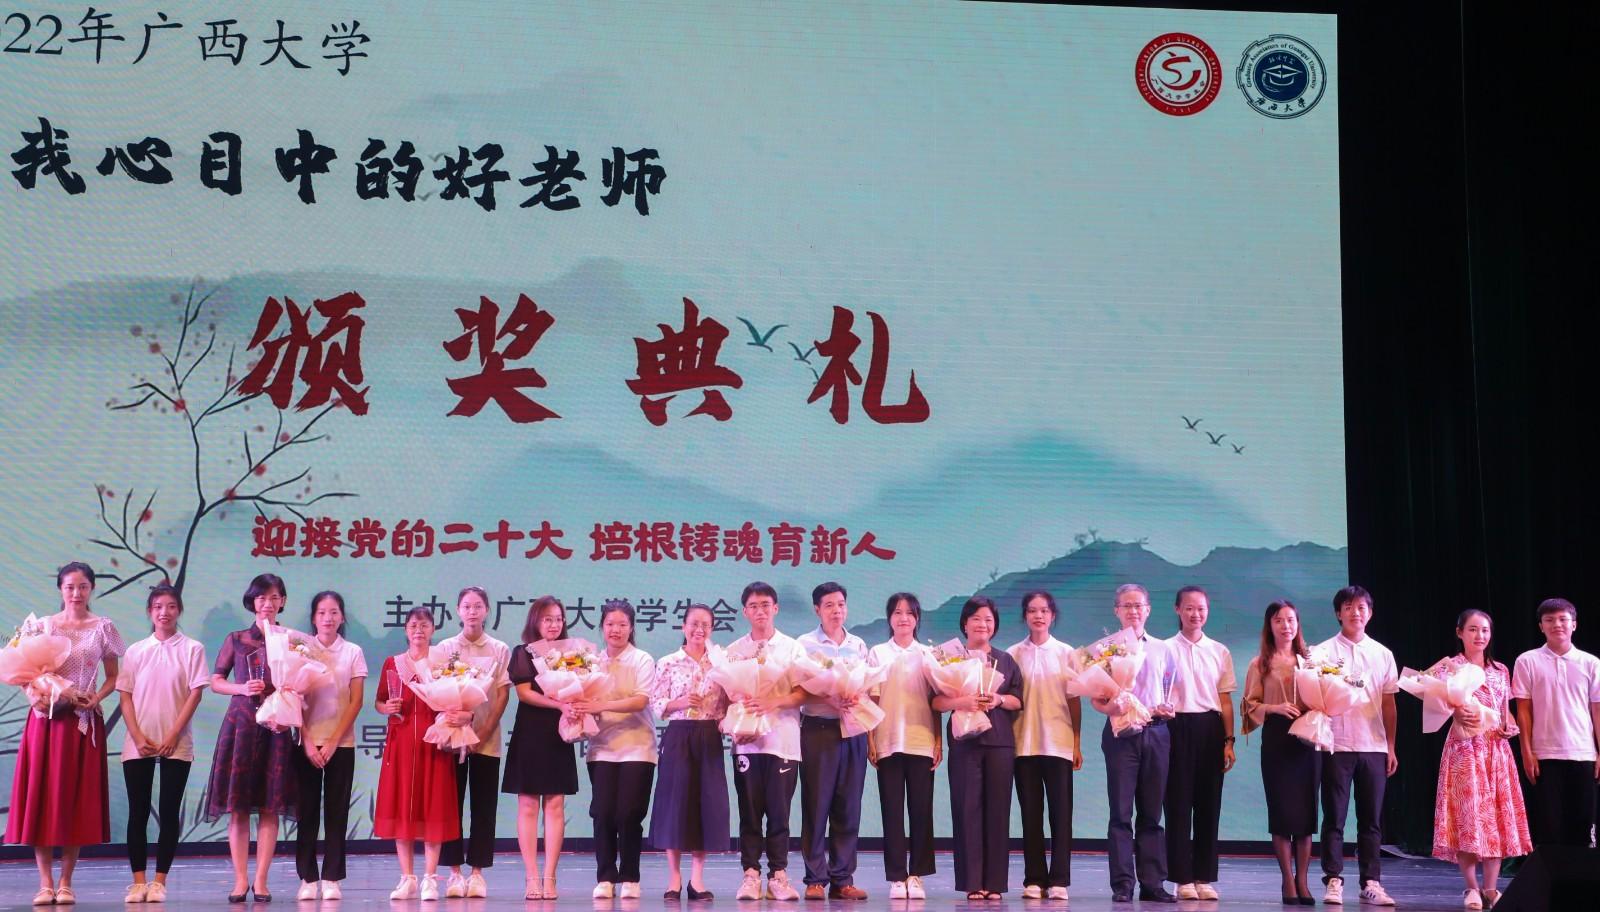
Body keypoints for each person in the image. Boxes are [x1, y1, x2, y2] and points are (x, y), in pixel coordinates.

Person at [6, 561, 126, 907]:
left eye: (83, 586)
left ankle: (66, 882)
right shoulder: (41, 626)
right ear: (60, 589)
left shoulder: (103, 627)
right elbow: (26, 672)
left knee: (75, 800)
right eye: (70, 586)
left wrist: (95, 698)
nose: (76, 593)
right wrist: (42, 695)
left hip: (82, 722)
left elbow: (113, 676)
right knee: (43, 797)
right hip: (45, 723)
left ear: (92, 589)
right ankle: (45, 883)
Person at [204, 573, 298, 903]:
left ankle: (261, 880)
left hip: (276, 727)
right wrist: (242, 688)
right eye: (261, 597)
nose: (267, 603)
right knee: (239, 806)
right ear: (252, 601)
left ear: (282, 601)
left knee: (271, 806)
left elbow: (304, 682)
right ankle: (240, 879)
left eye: (273, 597)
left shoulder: (292, 640)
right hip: (241, 726)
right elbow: (216, 680)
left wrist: (290, 700)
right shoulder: (237, 639)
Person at [117, 584, 207, 904]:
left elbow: (195, 694)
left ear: (178, 610)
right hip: (138, 741)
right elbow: (125, 697)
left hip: (176, 743)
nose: (164, 612)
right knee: (138, 812)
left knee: (169, 812)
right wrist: (137, 736)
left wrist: (172, 736)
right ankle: (138, 882)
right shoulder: (136, 651)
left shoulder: (192, 648)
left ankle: (159, 881)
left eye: (170, 606)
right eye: (157, 607)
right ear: (149, 612)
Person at [1435, 609, 1530, 910]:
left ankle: (1491, 888)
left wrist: (1510, 725)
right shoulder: (1449, 668)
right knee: (1468, 816)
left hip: (1496, 751)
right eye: (1473, 629)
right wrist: (1453, 711)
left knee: (1496, 818)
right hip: (1465, 750)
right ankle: (1471, 888)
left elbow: (1504, 710)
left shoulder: (1501, 670)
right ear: (1460, 632)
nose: (1480, 636)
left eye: (1485, 630)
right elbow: (1434, 706)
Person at [1312, 585, 1400, 906]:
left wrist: (1391, 746)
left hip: (1373, 746)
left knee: (1371, 820)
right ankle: (1333, 880)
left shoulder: (1383, 654)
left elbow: (1389, 704)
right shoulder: (1322, 652)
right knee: (1334, 817)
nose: (1355, 613)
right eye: (1348, 608)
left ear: (1370, 613)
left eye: (1361, 607)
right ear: (1338, 613)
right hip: (1335, 745)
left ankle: (1371, 882)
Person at [1096, 583, 1181, 904]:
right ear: (1116, 611)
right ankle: (1122, 885)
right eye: (1127, 606)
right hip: (1121, 735)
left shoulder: (1162, 648)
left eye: (1138, 605)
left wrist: (1167, 709)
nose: (1133, 611)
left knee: (1151, 813)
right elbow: (1096, 699)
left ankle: (1153, 883)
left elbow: (1170, 689)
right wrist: (1110, 708)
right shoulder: (1105, 650)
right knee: (1120, 813)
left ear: (1148, 610)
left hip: (1156, 732)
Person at [935, 595, 1023, 900]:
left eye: (988, 619)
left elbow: (1017, 700)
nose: (982, 624)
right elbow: (936, 702)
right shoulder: (949, 658)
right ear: (965, 624)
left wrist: (998, 699)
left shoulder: (1005, 660)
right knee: (966, 809)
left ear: (994, 626)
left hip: (999, 742)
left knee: (998, 811)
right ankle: (972, 882)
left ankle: (995, 883)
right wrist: (962, 701)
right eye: (976, 619)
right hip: (964, 742)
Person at [373, 606, 461, 901]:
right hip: (401, 746)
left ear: (433, 630)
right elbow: (379, 702)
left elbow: (458, 699)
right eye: (413, 625)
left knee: (433, 809)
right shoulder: (393, 663)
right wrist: (387, 708)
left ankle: (430, 879)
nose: (418, 630)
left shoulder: (443, 664)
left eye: (424, 625)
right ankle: (407, 877)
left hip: (434, 745)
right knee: (403, 808)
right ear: (406, 631)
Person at [729, 581, 808, 902]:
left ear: (775, 608)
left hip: (783, 742)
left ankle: (778, 875)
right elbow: (728, 696)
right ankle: (750, 875)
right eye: (753, 606)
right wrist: (738, 724)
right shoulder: (734, 651)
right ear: (745, 612)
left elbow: (804, 693)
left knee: (779, 813)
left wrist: (772, 703)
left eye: (765, 605)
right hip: (746, 743)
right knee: (749, 813)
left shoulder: (793, 648)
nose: (760, 611)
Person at [648, 603, 730, 902]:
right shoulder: (668, 662)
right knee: (675, 804)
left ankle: (697, 879)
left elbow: (728, 703)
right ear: (683, 627)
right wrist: (679, 703)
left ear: (712, 628)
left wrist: (731, 721)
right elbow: (655, 703)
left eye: (705, 624)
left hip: (709, 735)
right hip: (679, 735)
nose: (699, 629)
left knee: (705, 804)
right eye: (694, 623)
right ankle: (674, 878)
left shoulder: (721, 664)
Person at [503, 596, 583, 900]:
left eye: (558, 619)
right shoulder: (523, 652)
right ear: (535, 621)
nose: (554, 624)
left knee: (555, 804)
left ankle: (550, 877)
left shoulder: (572, 655)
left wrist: (573, 704)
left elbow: (583, 685)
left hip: (558, 733)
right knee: (527, 804)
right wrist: (558, 704)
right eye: (548, 619)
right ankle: (531, 877)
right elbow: (524, 693)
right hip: (530, 732)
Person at [577, 601, 658, 899]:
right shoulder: (591, 662)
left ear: (631, 627)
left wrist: (601, 705)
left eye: (622, 624)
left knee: (629, 813)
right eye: (610, 624)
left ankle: (630, 877)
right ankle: (605, 877)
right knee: (603, 813)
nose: (616, 630)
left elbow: (641, 700)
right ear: (602, 627)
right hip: (602, 748)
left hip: (638, 747)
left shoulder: (641, 659)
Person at [436, 586, 512, 899]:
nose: (472, 612)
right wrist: (454, 719)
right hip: (453, 739)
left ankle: (478, 873)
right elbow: (436, 688)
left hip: (486, 741)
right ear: (458, 610)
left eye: (478, 606)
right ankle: (454, 873)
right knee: (450, 807)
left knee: (484, 807)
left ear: (486, 611)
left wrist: (484, 729)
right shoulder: (445, 647)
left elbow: (503, 693)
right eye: (466, 606)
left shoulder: (499, 649)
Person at [1241, 600, 1318, 906]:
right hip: (1277, 740)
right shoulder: (1259, 663)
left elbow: (1326, 694)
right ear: (1269, 626)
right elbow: (1249, 704)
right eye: (1278, 620)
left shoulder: (1310, 660)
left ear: (1297, 624)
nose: (1286, 626)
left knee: (1307, 815)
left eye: (1290, 620)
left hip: (1307, 739)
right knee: (1282, 813)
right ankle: (1287, 879)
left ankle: (1303, 881)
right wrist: (1274, 707)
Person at [797, 581, 870, 900]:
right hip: (818, 729)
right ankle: (815, 878)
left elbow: (867, 684)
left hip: (853, 729)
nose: (836, 610)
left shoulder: (858, 644)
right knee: (816, 804)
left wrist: (855, 696)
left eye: (841, 604)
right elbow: (800, 688)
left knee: (848, 805)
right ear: (817, 610)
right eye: (829, 605)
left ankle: (843, 878)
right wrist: (829, 698)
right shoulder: (804, 644)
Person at [1163, 586, 1236, 902]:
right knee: (1177, 805)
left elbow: (1225, 700)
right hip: (1174, 727)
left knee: (1209, 805)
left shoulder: (1219, 651)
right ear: (1177, 610)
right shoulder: (1164, 649)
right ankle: (1181, 878)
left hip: (1210, 728)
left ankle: (1204, 876)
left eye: (1201, 608)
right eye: (1189, 608)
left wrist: (1229, 740)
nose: (1196, 614)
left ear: (1208, 611)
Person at [1008, 590, 1081, 902]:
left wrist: (1076, 742)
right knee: (1030, 815)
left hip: (1059, 743)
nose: (1038, 616)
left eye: (1044, 611)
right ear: (1025, 616)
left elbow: (1074, 701)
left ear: (1052, 615)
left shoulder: (1067, 653)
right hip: (1023, 744)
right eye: (1032, 610)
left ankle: (1060, 879)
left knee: (1061, 815)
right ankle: (1035, 878)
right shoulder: (1012, 654)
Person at [294, 591, 367, 901]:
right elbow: (290, 697)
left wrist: (335, 740)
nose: (328, 617)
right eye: (322, 612)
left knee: (337, 812)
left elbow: (357, 700)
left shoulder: (352, 651)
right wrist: (308, 740)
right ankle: (308, 878)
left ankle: (332, 877)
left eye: (334, 612)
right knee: (307, 811)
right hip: (306, 743)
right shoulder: (299, 650)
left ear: (342, 617)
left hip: (342, 743)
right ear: (314, 618)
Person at [867, 593, 940, 900]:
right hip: (887, 740)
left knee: (921, 811)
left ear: (917, 619)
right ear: (890, 618)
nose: (903, 618)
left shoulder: (928, 654)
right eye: (897, 613)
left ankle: (917, 875)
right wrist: (871, 738)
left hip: (921, 740)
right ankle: (897, 876)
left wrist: (938, 740)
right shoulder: (878, 653)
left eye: (909, 613)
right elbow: (871, 698)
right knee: (892, 811)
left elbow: (936, 701)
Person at [1511, 598, 1600, 850]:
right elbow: (1523, 711)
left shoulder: (1591, 663)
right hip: (1544, 755)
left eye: (1563, 619)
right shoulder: (1527, 661)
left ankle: (1580, 878)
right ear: (1541, 626)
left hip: (1583, 753)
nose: (1557, 625)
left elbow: (1597, 710)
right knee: (1549, 830)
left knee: (1583, 831)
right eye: (1549, 620)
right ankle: (1551, 878)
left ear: (1574, 624)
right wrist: (1527, 752)